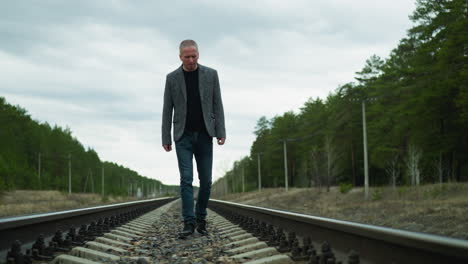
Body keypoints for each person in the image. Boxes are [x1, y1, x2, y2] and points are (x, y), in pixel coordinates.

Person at [161, 39, 226, 238]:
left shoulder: (211, 74)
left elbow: (217, 105)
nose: (191, 60)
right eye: (187, 57)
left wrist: (221, 131)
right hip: (183, 136)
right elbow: (167, 110)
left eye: (194, 56)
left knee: (206, 181)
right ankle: (188, 223)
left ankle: (201, 218)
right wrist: (166, 137)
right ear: (180, 57)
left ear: (198, 54)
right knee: (186, 180)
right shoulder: (172, 78)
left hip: (206, 134)